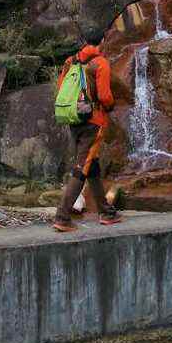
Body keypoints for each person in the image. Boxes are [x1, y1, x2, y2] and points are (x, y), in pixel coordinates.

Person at [53, 28, 122, 233]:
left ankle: (106, 212)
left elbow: (61, 88)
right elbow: (105, 96)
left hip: (74, 118)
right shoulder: (100, 63)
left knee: (91, 164)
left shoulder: (70, 61)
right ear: (102, 41)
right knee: (83, 167)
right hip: (93, 121)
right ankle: (62, 217)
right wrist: (110, 105)